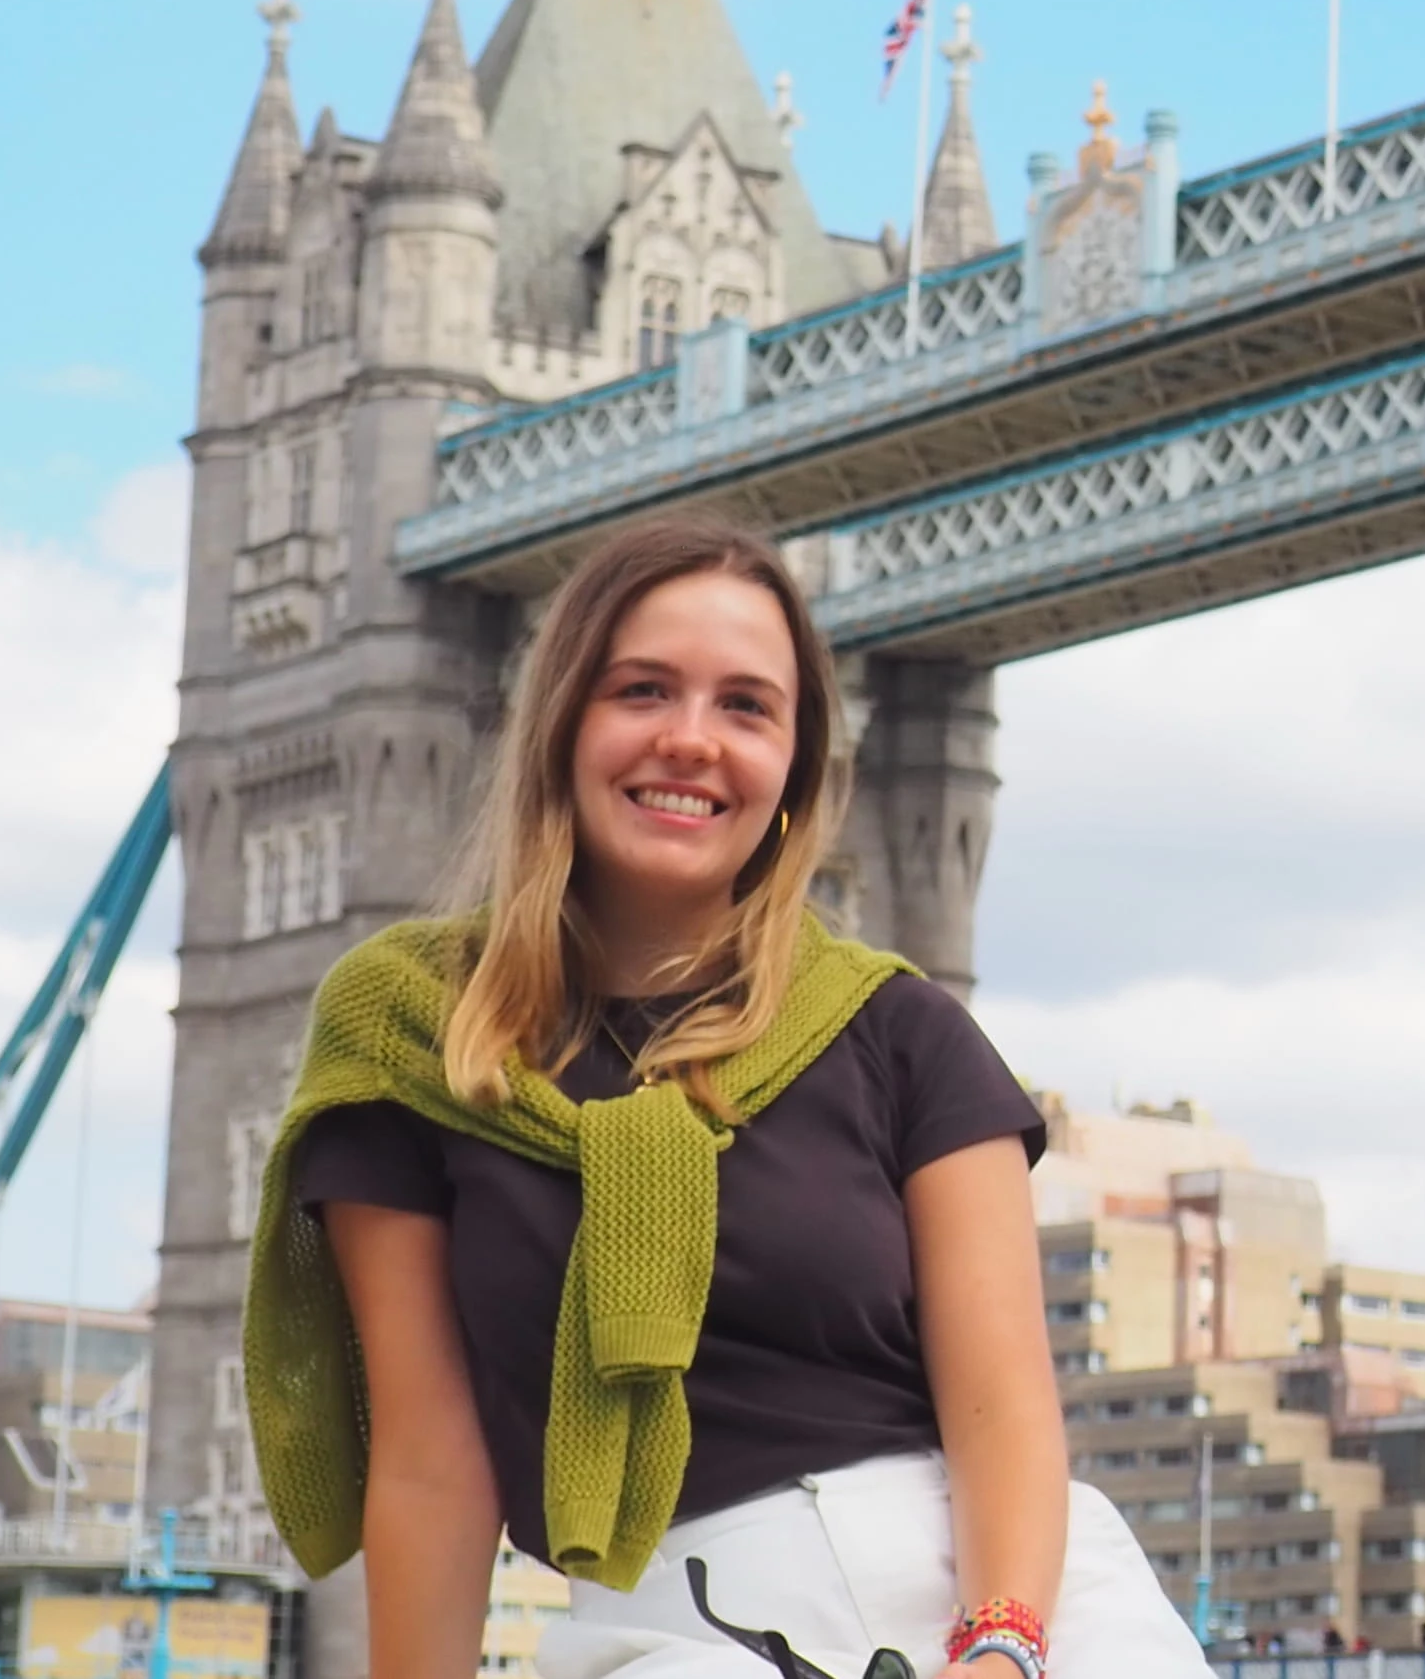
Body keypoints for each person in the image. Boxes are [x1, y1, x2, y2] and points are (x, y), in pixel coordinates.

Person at [242, 523, 1208, 1679]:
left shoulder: (904, 1033)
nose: (691, 740)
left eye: (746, 707)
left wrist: (1001, 1650)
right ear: (558, 727)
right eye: (642, 690)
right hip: (679, 1626)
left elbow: (1002, 1399)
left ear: (793, 775)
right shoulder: (412, 1035)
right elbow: (430, 1461)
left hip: (1006, 1596)